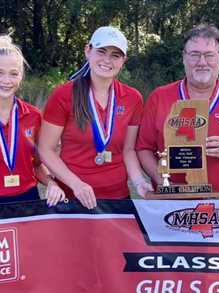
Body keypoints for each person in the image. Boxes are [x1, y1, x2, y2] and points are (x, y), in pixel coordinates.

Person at [135, 23, 219, 192]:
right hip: (170, 203)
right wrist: (163, 182)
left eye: (209, 55)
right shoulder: (159, 97)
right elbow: (143, 148)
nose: (202, 62)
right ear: (184, 57)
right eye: (194, 55)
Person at [38, 26, 152, 209]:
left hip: (117, 198)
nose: (107, 60)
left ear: (124, 61)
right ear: (88, 51)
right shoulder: (64, 95)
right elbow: (46, 149)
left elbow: (128, 150)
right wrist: (76, 184)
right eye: (101, 51)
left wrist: (139, 181)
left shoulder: (133, 98)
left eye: (115, 55)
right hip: (73, 197)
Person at [0, 35, 64, 206]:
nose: (6, 81)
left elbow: (36, 165)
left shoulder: (34, 116)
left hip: (28, 201)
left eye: (13, 74)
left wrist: (51, 183)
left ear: (21, 76)